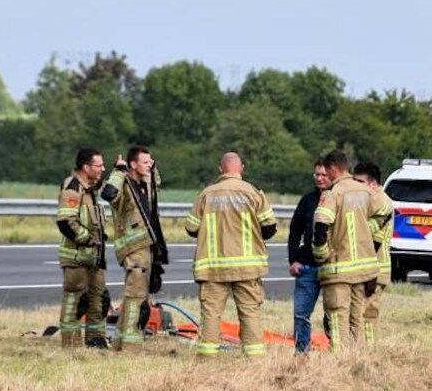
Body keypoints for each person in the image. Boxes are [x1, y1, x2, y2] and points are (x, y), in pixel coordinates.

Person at [184, 152, 277, 357]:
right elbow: (270, 228)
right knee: (250, 313)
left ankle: (207, 359)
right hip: (247, 267)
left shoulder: (206, 194)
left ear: (220, 169)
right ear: (241, 168)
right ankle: (255, 361)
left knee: (211, 314)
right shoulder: (253, 193)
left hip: (213, 268)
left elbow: (191, 228)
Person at [312, 150, 393, 352]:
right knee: (356, 318)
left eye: (326, 173)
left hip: (339, 268)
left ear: (332, 169)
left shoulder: (333, 193)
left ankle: (339, 360)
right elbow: (385, 211)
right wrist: (368, 231)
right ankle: (357, 358)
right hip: (363, 270)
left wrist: (321, 253)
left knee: (338, 315)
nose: (325, 177)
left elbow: (321, 224)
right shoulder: (365, 191)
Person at [100, 146, 168, 349]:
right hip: (133, 249)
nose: (150, 164)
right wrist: (119, 171)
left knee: (134, 298)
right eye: (145, 162)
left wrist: (151, 166)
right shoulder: (123, 186)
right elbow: (109, 194)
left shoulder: (144, 185)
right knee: (136, 298)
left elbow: (156, 181)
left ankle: (119, 343)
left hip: (146, 248)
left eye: (151, 161)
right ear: (132, 164)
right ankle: (131, 347)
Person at [55, 148, 108, 348]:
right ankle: (71, 346)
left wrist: (120, 172)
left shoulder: (90, 187)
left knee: (97, 301)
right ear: (86, 167)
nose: (103, 169)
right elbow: (65, 221)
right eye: (99, 165)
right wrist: (87, 239)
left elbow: (108, 189)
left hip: (93, 258)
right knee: (74, 302)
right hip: (77, 258)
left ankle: (95, 342)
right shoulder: (73, 186)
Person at [288, 158, 331, 353]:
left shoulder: (338, 199)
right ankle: (301, 354)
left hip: (332, 267)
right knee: (301, 314)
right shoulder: (307, 200)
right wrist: (293, 259)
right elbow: (294, 231)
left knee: (332, 315)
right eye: (317, 174)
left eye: (324, 175)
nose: (320, 178)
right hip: (306, 266)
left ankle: (338, 352)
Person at [353, 161, 392, 347]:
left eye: (360, 182)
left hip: (375, 269)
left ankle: (368, 351)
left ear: (373, 184)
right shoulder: (371, 200)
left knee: (367, 314)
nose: (356, 187)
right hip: (370, 268)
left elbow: (371, 239)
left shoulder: (381, 203)